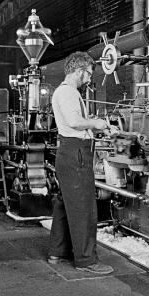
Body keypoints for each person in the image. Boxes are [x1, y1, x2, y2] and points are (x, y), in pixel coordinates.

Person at [47, 51, 114, 275]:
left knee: (65, 205)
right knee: (84, 208)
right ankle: (87, 261)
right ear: (78, 71)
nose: (88, 78)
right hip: (76, 153)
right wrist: (97, 123)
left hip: (69, 151)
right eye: (87, 74)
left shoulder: (65, 92)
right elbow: (75, 122)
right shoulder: (67, 92)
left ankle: (58, 252)